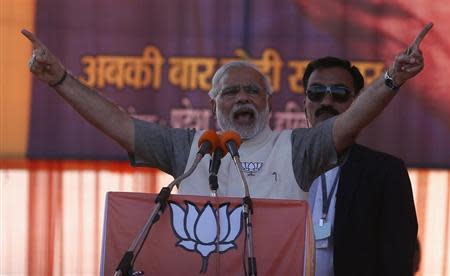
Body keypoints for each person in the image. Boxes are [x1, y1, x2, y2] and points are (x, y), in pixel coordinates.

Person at [21, 23, 431, 200]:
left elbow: (351, 120)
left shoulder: (297, 147)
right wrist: (60, 79)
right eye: (230, 92)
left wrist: (392, 78)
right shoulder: (189, 148)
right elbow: (117, 123)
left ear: (269, 103)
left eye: (253, 91)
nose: (242, 99)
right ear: (213, 104)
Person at [303, 56, 418, 275]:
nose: (326, 102)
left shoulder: (385, 173)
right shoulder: (279, 163)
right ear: (304, 102)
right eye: (316, 92)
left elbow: (397, 260)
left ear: (359, 105)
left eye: (339, 93)